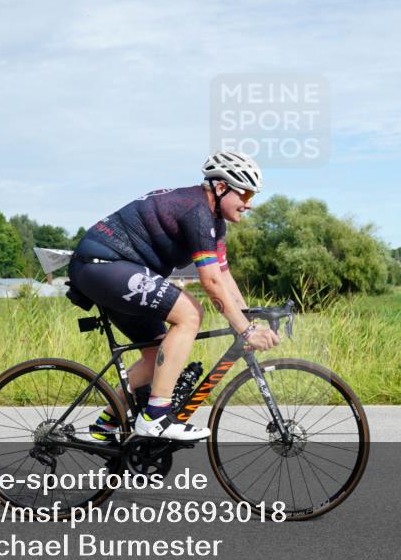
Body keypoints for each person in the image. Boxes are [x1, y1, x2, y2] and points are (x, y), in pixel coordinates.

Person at [68, 151, 281, 442]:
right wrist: (246, 332)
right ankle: (155, 417)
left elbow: (223, 275)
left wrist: (249, 317)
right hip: (104, 265)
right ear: (220, 188)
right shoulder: (196, 211)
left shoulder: (214, 222)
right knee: (190, 313)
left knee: (157, 356)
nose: (250, 203)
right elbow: (211, 283)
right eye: (244, 193)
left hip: (115, 271)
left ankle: (105, 427)